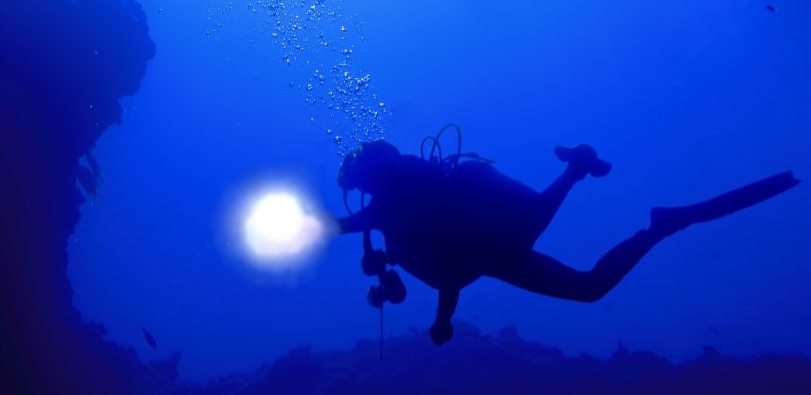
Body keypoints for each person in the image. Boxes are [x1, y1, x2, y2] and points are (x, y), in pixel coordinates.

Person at [335, 127, 800, 346]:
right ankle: (658, 226)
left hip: (492, 247)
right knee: (589, 288)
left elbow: (445, 254)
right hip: (487, 257)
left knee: (537, 241)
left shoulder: (383, 210)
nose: (372, 184)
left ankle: (576, 170)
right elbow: (447, 269)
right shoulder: (383, 214)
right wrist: (443, 319)